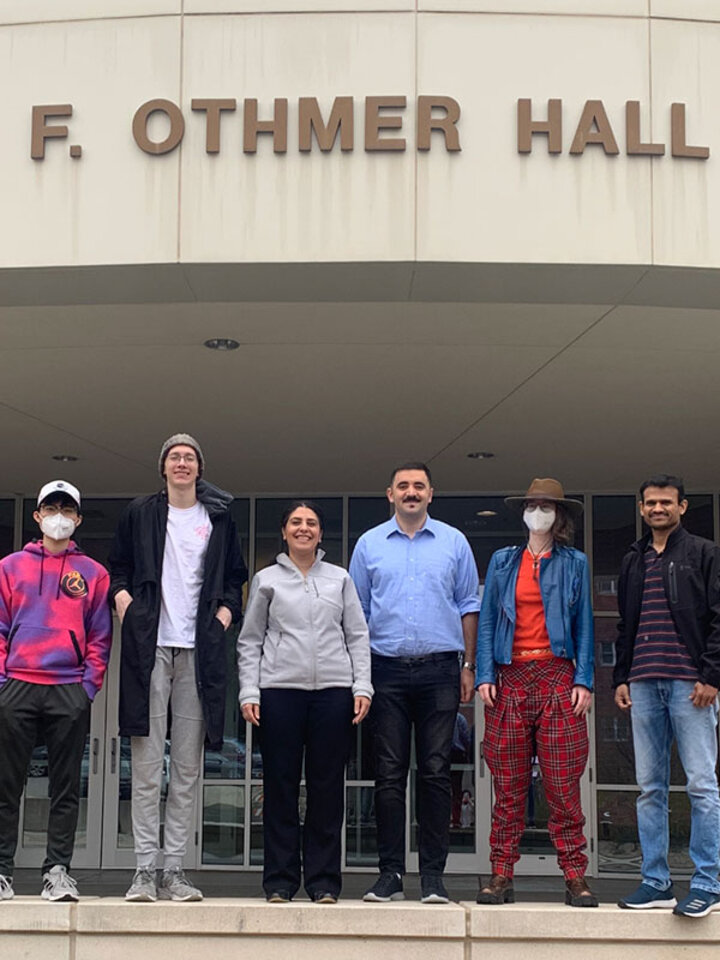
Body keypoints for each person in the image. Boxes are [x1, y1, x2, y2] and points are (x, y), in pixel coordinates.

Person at [109, 433, 246, 903]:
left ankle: (175, 870)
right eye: (175, 457)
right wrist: (130, 608)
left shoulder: (219, 518)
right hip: (152, 646)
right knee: (147, 766)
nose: (182, 463)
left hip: (198, 651)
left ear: (199, 469)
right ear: (163, 467)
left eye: (190, 457)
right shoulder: (141, 512)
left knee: (186, 767)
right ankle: (144, 870)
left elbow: (234, 577)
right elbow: (118, 569)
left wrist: (222, 618)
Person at [349, 462, 480, 904]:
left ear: (431, 493)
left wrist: (469, 665)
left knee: (436, 772)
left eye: (418, 486)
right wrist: (359, 675)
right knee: (387, 775)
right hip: (384, 669)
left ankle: (432, 877)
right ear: (389, 493)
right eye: (403, 486)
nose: (410, 492)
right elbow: (357, 614)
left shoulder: (454, 542)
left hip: (441, 670)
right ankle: (389, 874)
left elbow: (468, 605)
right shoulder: (368, 545)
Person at [238, 501, 372, 904]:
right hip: (279, 691)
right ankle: (279, 881)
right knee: (279, 787)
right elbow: (250, 640)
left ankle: (324, 882)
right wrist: (249, 690)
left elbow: (357, 636)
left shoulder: (340, 579)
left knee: (326, 788)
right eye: (296, 522)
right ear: (284, 531)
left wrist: (361, 685)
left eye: (311, 523)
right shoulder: (266, 580)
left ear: (320, 533)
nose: (303, 528)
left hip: (333, 692)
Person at [476, 477, 596, 907]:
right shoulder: (503, 561)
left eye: (547, 506)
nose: (538, 511)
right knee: (507, 787)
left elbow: (584, 623)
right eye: (533, 505)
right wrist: (485, 672)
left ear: (558, 514)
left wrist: (584, 679)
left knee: (563, 786)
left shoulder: (574, 562)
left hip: (558, 677)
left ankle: (575, 876)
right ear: (524, 511)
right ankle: (501, 874)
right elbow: (488, 619)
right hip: (510, 678)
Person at [0, 480, 112, 902]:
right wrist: (2, 682)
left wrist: (88, 685)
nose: (59, 515)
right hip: (19, 685)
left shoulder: (93, 574)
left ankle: (58, 872)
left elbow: (100, 636)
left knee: (66, 786)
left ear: (78, 519)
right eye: (51, 507)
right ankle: (1, 872)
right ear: (37, 515)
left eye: (67, 509)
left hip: (68, 687)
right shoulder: (9, 567)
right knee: (7, 784)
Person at [614, 474, 720, 918]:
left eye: (666, 502)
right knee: (649, 788)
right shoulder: (632, 560)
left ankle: (708, 882)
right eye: (650, 503)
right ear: (641, 508)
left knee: (701, 784)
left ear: (682, 507)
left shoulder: (703, 553)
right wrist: (621, 676)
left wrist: (712, 675)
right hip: (642, 683)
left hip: (689, 685)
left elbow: (718, 617)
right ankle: (656, 881)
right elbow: (625, 624)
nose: (658, 509)